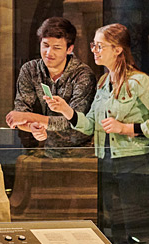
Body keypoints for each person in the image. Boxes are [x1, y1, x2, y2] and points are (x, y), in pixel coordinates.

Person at [47, 23, 149, 244]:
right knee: (112, 226)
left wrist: (127, 128)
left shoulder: (139, 82)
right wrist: (67, 111)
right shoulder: (103, 82)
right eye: (93, 46)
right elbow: (91, 127)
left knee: (136, 229)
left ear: (118, 49)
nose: (94, 51)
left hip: (136, 162)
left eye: (100, 46)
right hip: (106, 161)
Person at [5, 17, 96, 157]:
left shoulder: (82, 74)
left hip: (83, 153)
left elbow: (74, 121)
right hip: (47, 152)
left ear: (69, 49)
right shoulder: (30, 70)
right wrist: (32, 127)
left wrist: (29, 117)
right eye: (45, 45)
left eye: (57, 47)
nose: (49, 52)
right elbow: (19, 115)